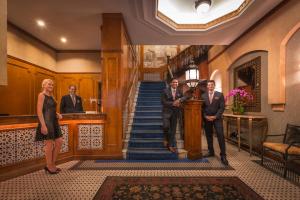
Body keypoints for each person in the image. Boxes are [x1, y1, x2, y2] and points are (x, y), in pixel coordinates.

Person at [35, 79, 63, 174]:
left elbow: (50, 109)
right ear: (44, 85)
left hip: (54, 122)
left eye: (52, 84)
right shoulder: (41, 95)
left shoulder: (51, 96)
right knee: (49, 144)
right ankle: (49, 165)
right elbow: (39, 111)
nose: (51, 85)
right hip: (46, 122)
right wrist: (43, 125)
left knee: (59, 141)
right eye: (49, 84)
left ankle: (52, 163)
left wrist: (57, 114)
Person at [201, 80, 228, 165]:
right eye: (209, 85)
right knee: (209, 136)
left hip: (217, 119)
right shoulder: (203, 96)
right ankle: (211, 151)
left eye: (212, 85)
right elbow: (202, 108)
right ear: (207, 86)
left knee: (220, 136)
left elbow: (222, 107)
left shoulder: (219, 95)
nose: (210, 86)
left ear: (214, 85)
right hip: (207, 119)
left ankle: (223, 155)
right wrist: (205, 116)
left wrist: (215, 116)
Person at [161, 78, 187, 153]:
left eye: (176, 82)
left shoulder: (179, 91)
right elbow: (163, 101)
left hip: (175, 113)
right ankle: (165, 137)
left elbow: (184, 97)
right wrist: (173, 103)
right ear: (171, 83)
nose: (175, 84)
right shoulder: (165, 91)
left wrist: (179, 100)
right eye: (173, 82)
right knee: (166, 126)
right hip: (166, 112)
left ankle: (170, 145)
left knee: (173, 129)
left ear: (177, 84)